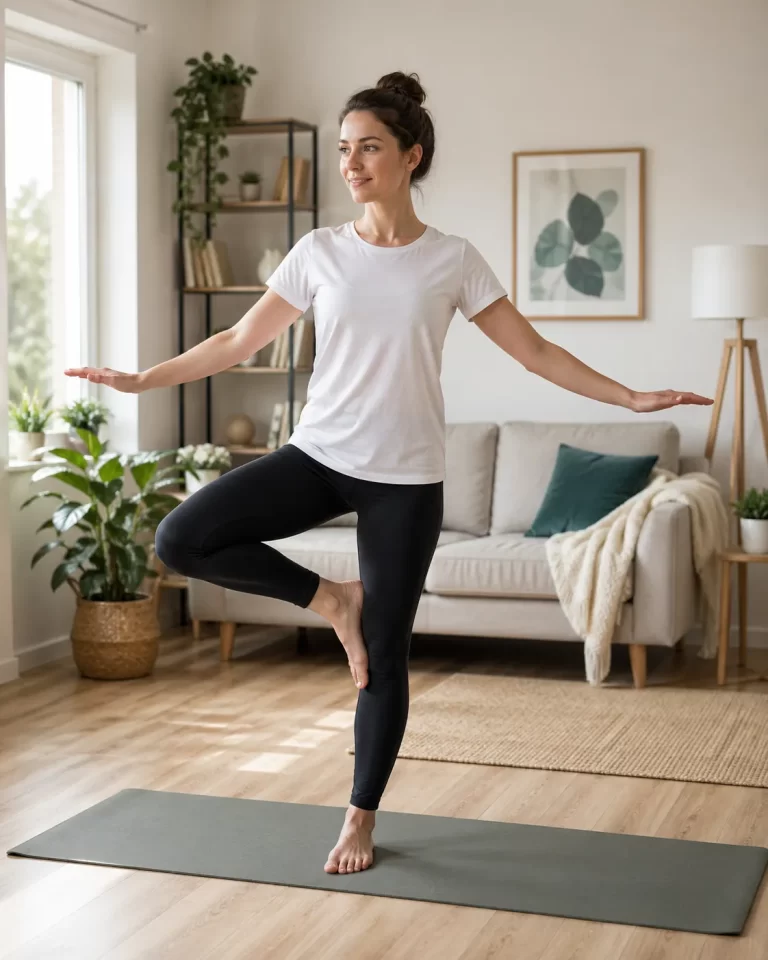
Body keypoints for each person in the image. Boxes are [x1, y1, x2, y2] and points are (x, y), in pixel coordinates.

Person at [65, 71, 713, 876]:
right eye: (343, 150)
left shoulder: (452, 260)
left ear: (412, 156)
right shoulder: (319, 253)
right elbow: (236, 342)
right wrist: (143, 379)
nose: (351, 164)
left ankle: (360, 815)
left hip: (405, 481)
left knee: (385, 655)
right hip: (318, 457)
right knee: (182, 535)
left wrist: (630, 394)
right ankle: (331, 598)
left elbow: (536, 352)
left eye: (368, 148)